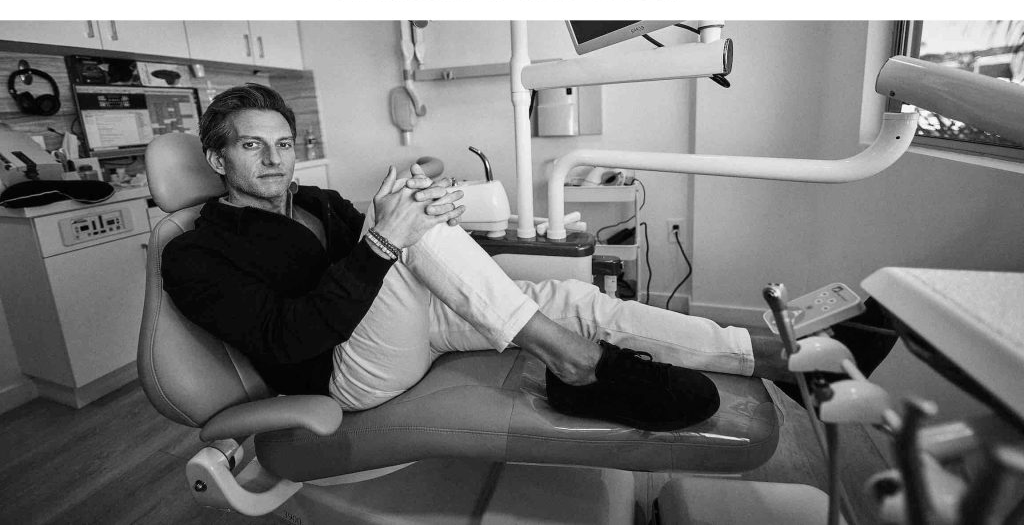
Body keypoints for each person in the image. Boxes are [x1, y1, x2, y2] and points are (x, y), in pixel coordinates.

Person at [163, 85, 812, 431]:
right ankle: (579, 363)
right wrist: (389, 239)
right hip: (340, 369)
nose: (276, 159)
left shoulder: (317, 199)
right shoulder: (193, 253)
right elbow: (289, 334)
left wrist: (426, 211)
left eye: (283, 143)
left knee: (568, 298)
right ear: (219, 159)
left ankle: (767, 354)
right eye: (254, 147)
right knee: (409, 231)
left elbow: (380, 261)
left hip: (395, 330)